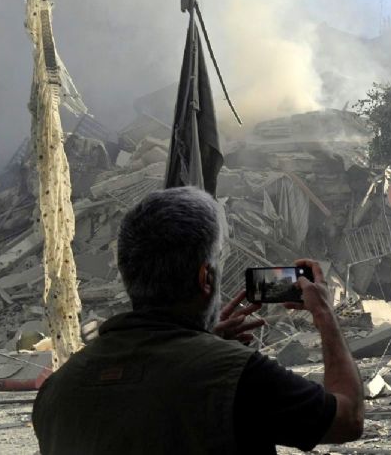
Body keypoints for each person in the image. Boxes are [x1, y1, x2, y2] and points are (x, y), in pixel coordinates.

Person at [32, 187, 363, 454]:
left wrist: (202, 342)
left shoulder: (56, 390)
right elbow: (347, 418)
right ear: (206, 277)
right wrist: (324, 314)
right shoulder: (238, 374)